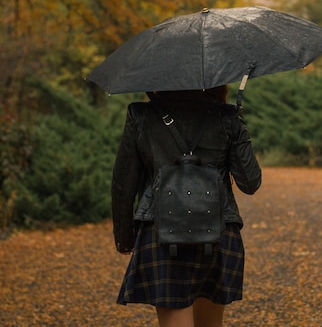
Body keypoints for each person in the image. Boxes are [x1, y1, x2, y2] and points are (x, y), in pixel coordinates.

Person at [111, 85, 262, 327]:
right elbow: (250, 182)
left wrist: (124, 237)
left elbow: (123, 182)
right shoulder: (227, 117)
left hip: (160, 232)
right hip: (220, 232)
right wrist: (238, 126)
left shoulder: (141, 115)